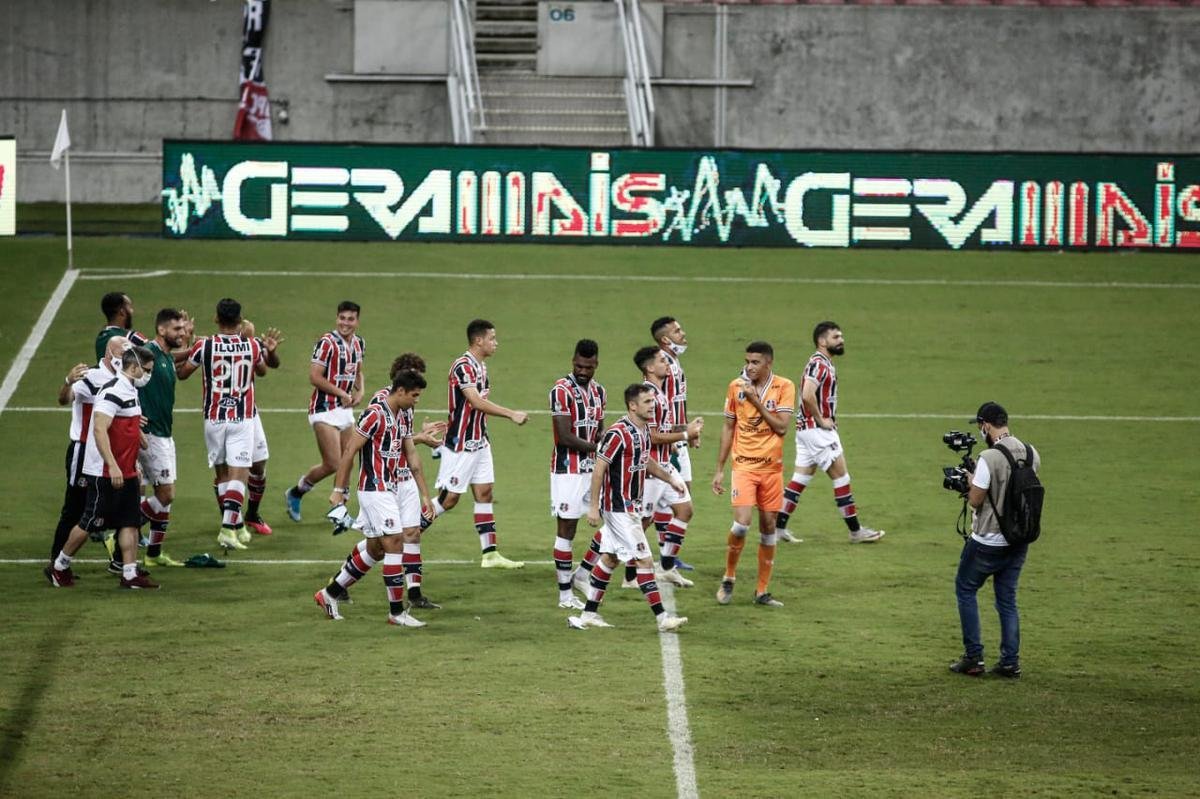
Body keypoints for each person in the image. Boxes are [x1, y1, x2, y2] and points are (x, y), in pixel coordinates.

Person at [320, 353, 446, 610]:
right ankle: (387, 607)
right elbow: (359, 447)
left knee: (404, 536)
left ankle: (412, 594)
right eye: (411, 375)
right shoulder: (379, 406)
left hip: (401, 478)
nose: (416, 382)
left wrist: (420, 441)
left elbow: (404, 442)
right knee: (382, 545)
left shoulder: (406, 406)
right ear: (398, 381)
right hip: (380, 484)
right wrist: (338, 490)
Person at [568, 384, 689, 633]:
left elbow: (646, 462)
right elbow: (599, 468)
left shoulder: (643, 430)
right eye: (647, 402)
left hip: (629, 507)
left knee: (610, 559)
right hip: (619, 509)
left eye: (652, 401)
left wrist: (671, 479)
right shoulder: (617, 433)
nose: (652, 406)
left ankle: (588, 614)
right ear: (633, 405)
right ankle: (662, 618)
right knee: (644, 560)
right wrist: (593, 506)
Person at [47, 346, 161, 589]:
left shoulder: (129, 388)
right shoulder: (112, 392)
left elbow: (124, 423)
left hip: (126, 468)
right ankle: (59, 566)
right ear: (134, 367)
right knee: (89, 522)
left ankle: (129, 574)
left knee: (130, 521)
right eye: (147, 370)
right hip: (104, 471)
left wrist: (138, 438)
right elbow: (99, 428)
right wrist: (112, 465)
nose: (149, 375)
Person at [177, 298, 282, 551]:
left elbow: (181, 373)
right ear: (240, 320)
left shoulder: (204, 345)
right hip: (241, 417)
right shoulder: (252, 345)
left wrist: (186, 345)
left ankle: (235, 527)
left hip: (213, 418)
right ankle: (228, 529)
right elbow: (264, 371)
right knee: (239, 475)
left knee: (222, 474)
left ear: (216, 319)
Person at [424, 319, 527, 569]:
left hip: (479, 441)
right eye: (492, 338)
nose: (496, 343)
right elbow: (476, 402)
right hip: (461, 444)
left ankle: (489, 554)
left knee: (484, 493)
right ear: (478, 340)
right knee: (448, 500)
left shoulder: (480, 366)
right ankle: (406, 534)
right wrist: (511, 413)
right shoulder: (463, 367)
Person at [950, 402, 1040, 679]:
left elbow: (977, 501)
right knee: (1007, 600)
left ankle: (974, 657)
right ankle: (1010, 661)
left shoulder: (988, 458)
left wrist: (969, 482)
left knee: (965, 589)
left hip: (988, 540)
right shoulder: (1031, 452)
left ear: (986, 425)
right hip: (1018, 540)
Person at [776, 321, 885, 544]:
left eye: (841, 336)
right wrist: (821, 420)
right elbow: (807, 395)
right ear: (822, 341)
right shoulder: (819, 365)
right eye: (836, 337)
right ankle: (856, 531)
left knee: (800, 478)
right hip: (817, 432)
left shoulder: (822, 363)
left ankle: (777, 530)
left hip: (806, 431)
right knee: (841, 478)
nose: (841, 340)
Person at [711, 342, 796, 607]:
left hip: (772, 470)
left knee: (769, 527)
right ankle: (729, 576)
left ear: (768, 363)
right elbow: (728, 427)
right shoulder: (735, 387)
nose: (749, 366)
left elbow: (781, 427)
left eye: (755, 362)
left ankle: (762, 591)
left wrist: (756, 401)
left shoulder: (785, 387)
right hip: (744, 467)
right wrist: (720, 469)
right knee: (741, 523)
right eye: (747, 361)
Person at [46, 336, 129, 574]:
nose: (125, 359)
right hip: (84, 452)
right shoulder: (90, 377)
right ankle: (57, 562)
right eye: (121, 355)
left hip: (110, 451)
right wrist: (67, 381)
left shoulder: (124, 379)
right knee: (75, 508)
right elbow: (64, 399)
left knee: (119, 504)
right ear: (108, 354)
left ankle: (121, 560)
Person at [285, 301, 365, 522]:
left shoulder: (358, 344)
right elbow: (315, 376)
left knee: (348, 459)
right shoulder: (327, 343)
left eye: (350, 319)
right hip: (323, 409)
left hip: (344, 410)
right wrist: (340, 392)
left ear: (357, 321)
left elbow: (357, 371)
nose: (345, 323)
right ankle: (296, 492)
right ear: (336, 318)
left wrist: (361, 391)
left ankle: (339, 510)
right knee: (333, 463)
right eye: (342, 318)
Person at [634, 346, 702, 588]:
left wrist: (684, 435)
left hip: (665, 466)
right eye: (663, 360)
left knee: (685, 510)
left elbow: (662, 430)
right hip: (650, 470)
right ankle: (629, 577)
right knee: (640, 523)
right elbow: (651, 436)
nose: (668, 364)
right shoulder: (648, 396)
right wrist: (685, 433)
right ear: (650, 367)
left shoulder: (661, 394)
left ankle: (666, 567)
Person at [548, 339, 606, 609]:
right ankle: (564, 596)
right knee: (567, 529)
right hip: (567, 471)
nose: (583, 371)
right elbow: (564, 436)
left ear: (596, 364)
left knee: (616, 520)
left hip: (593, 470)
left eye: (588, 367)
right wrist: (599, 448)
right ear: (573, 361)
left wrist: (605, 441)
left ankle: (582, 573)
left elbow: (599, 428)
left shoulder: (599, 392)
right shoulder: (561, 390)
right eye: (578, 365)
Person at [137, 308, 193, 568]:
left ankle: (154, 553)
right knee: (167, 494)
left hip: (165, 434)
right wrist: (133, 414)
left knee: (164, 490)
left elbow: (179, 357)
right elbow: (124, 380)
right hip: (150, 435)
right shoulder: (146, 353)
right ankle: (122, 529)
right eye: (177, 329)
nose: (181, 333)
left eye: (182, 329)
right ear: (161, 330)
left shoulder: (166, 357)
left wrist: (192, 343)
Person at [650, 315, 702, 563]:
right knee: (675, 498)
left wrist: (689, 431)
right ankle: (664, 557)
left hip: (679, 435)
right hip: (670, 440)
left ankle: (666, 555)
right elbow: (664, 406)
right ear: (665, 339)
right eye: (677, 331)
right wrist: (674, 437)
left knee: (681, 494)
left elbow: (678, 403)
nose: (683, 334)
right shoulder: (665, 367)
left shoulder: (673, 363)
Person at [94, 291, 147, 361]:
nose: (132, 311)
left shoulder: (101, 339)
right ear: (122, 312)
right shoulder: (132, 338)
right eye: (130, 307)